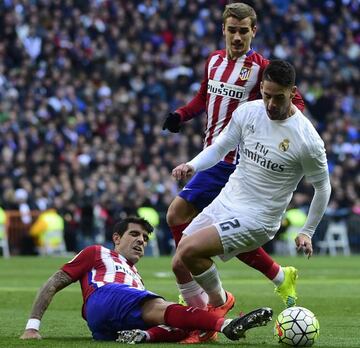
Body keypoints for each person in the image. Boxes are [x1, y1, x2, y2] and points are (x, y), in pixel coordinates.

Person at [163, 3, 303, 342]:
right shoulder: (213, 61)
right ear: (223, 29)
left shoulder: (261, 68)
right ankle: (277, 276)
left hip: (235, 161)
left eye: (243, 30)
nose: (237, 36)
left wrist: (290, 127)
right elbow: (203, 98)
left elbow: (291, 101)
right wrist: (182, 115)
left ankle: (201, 297)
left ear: (254, 31)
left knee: (178, 216)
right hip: (211, 157)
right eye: (232, 30)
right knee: (219, 232)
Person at [171, 60, 331, 339]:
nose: (270, 104)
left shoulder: (307, 140)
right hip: (227, 200)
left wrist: (307, 231)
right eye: (266, 95)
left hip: (259, 218)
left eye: (278, 97)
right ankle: (203, 326)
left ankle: (218, 306)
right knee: (179, 264)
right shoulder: (248, 112)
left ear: (293, 92)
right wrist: (192, 166)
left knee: (189, 250)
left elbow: (323, 187)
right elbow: (220, 147)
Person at [20, 216, 272, 342]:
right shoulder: (97, 253)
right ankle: (225, 325)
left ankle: (145, 337)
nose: (141, 241)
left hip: (109, 326)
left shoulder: (136, 278)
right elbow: (54, 282)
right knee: (165, 309)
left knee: (184, 327)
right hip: (105, 295)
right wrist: (32, 326)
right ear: (117, 238)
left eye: (145, 238)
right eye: (135, 234)